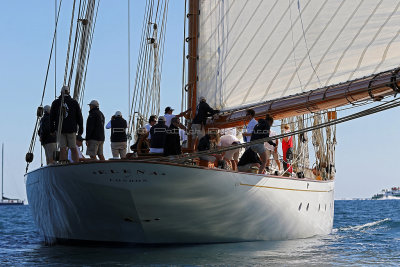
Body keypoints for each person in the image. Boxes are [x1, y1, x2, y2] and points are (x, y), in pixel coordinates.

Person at [50, 86, 83, 162]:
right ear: (68, 92)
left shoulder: (55, 103)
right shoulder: (74, 102)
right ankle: (76, 163)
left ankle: (63, 163)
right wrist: (80, 130)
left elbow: (51, 118)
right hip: (71, 129)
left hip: (60, 129)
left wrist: (52, 130)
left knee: (62, 148)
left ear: (61, 92)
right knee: (73, 147)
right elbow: (79, 117)